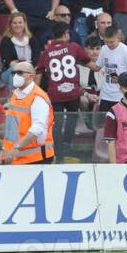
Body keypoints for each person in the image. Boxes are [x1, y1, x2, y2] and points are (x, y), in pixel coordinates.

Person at [35, 22, 98, 161]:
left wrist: (34, 94)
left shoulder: (46, 53)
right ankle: (66, 143)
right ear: (65, 34)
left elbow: (38, 74)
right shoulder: (74, 47)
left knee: (56, 124)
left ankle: (59, 154)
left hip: (55, 94)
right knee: (72, 118)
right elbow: (92, 65)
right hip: (72, 93)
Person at [1, 61, 55, 165]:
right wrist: (4, 150)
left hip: (36, 159)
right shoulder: (15, 95)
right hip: (15, 158)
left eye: (20, 73)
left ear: (31, 76)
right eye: (14, 73)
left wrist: (16, 148)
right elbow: (11, 128)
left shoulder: (38, 97)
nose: (16, 76)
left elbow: (37, 129)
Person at [93, 26, 127, 113]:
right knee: (104, 122)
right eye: (107, 42)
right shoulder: (104, 49)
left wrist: (122, 79)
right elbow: (96, 67)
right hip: (106, 94)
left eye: (112, 42)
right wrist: (83, 61)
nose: (109, 44)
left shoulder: (126, 50)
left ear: (118, 38)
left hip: (120, 95)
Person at [0, 12, 40, 92]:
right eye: (15, 23)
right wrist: (22, 67)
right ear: (10, 25)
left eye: (20, 22)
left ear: (24, 24)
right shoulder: (6, 40)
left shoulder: (31, 39)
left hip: (30, 69)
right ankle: (12, 98)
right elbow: (7, 60)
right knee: (15, 70)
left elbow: (37, 56)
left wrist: (29, 69)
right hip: (9, 72)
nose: (18, 25)